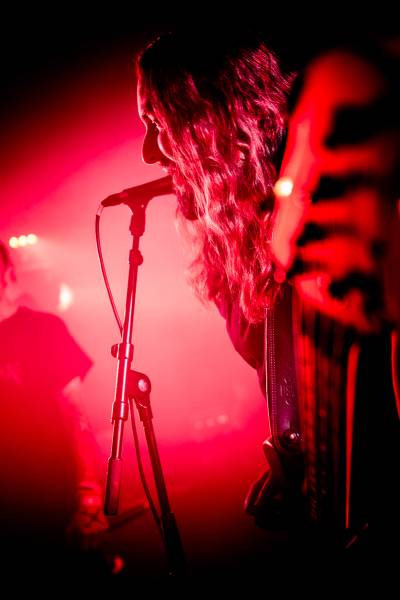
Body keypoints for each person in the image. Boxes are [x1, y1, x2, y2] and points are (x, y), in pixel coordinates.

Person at [134, 28, 400, 570]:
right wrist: (298, 461)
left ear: (214, 119)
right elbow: (299, 382)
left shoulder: (332, 199)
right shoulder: (235, 245)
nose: (148, 152)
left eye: (159, 124)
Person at [0, 240, 111, 576]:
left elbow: (77, 416)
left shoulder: (43, 328)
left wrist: (89, 495)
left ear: (8, 275)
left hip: (53, 496)